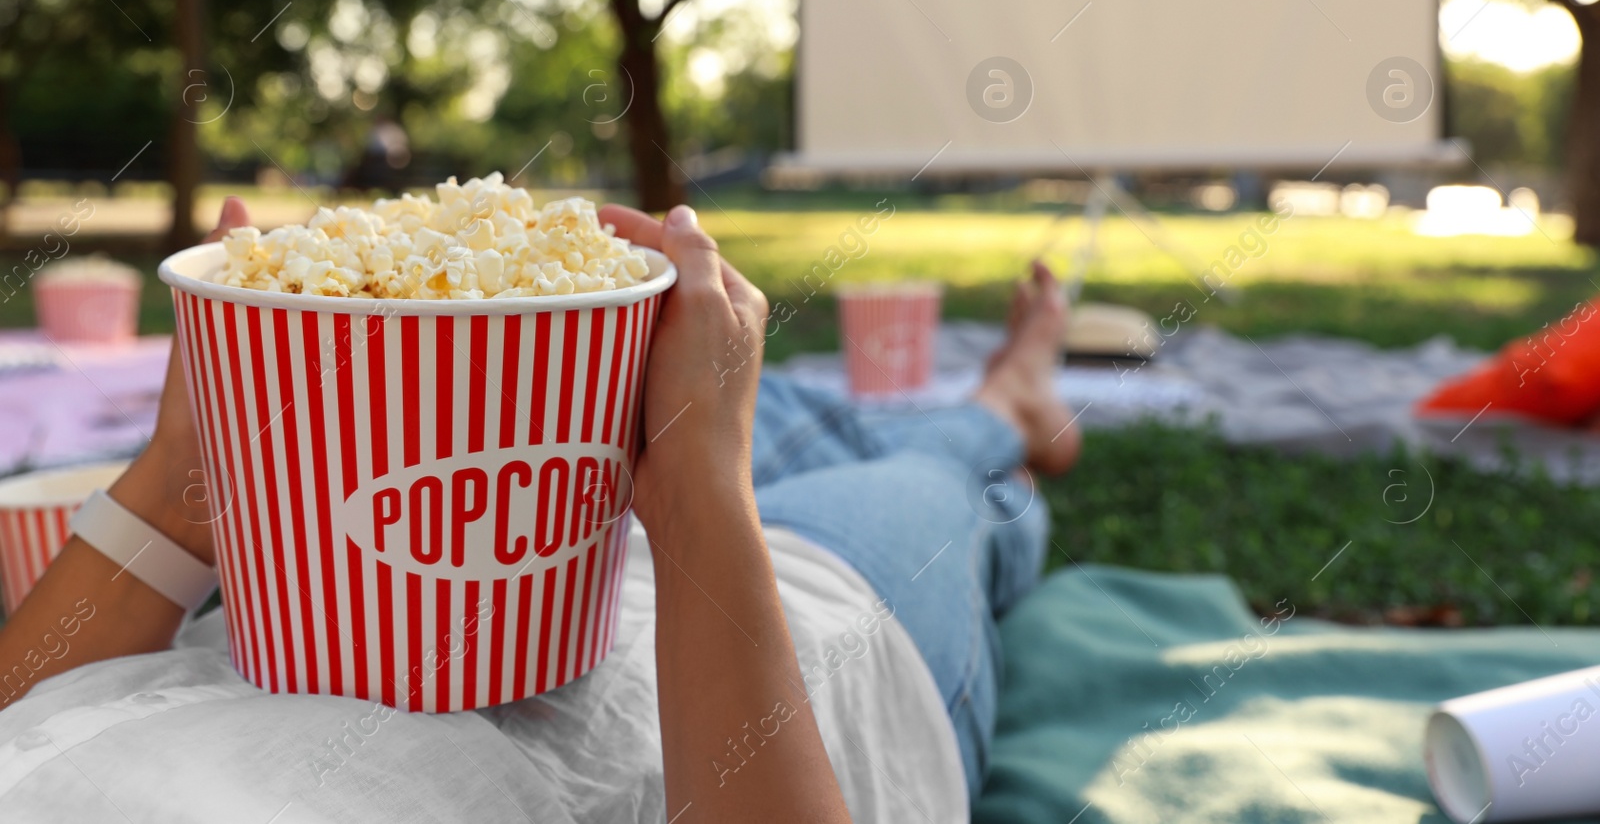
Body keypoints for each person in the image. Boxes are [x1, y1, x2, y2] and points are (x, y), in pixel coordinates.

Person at [0, 199, 1081, 823]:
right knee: (937, 477)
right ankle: (1005, 404)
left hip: (572, 527)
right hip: (789, 634)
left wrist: (188, 477)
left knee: (780, 399)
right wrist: (702, 498)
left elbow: (22, 725)